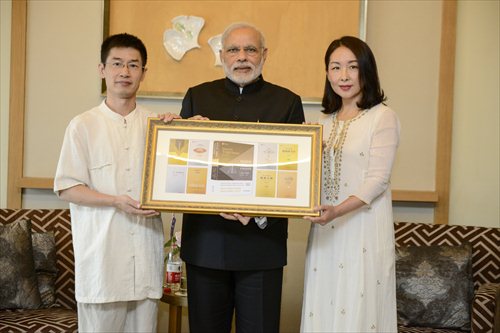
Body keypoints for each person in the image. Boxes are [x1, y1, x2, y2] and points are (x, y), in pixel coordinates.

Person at [179, 22, 305, 333]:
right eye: (233, 49)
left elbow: (294, 175)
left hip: (261, 246)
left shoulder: (287, 102)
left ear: (264, 55)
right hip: (206, 243)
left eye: (250, 49)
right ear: (221, 55)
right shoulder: (197, 97)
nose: (242, 57)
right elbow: (183, 170)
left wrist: (258, 209)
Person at [54, 33, 179, 332]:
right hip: (102, 264)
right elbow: (67, 187)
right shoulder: (82, 125)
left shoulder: (158, 126)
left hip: (145, 265)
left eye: (133, 65)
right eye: (117, 64)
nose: (125, 72)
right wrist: (115, 200)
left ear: (143, 73)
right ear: (102, 69)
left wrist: (188, 133)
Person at [301, 36, 400, 332]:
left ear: (366, 70)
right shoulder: (323, 122)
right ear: (327, 73)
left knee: (358, 307)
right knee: (324, 304)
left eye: (352, 67)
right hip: (325, 231)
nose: (343, 76)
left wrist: (337, 211)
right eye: (335, 67)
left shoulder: (382, 117)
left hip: (362, 230)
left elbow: (377, 181)